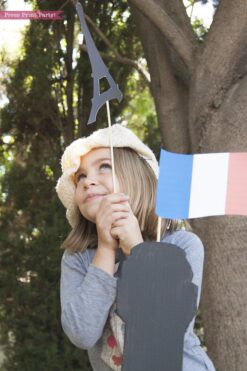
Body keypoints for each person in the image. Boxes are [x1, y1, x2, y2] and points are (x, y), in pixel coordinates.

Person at [56, 124, 216, 371]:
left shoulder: (181, 244)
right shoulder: (77, 258)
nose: (88, 182)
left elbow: (167, 324)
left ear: (136, 175)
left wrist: (138, 251)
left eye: (104, 167)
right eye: (81, 177)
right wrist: (106, 249)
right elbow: (82, 333)